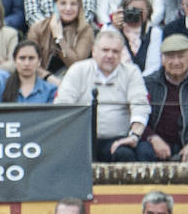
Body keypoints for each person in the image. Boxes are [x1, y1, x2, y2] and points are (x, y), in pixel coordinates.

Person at [54, 29, 153, 163]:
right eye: (105, 50)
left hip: (119, 139)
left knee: (129, 153)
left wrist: (134, 136)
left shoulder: (132, 71)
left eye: (115, 51)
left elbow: (140, 105)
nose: (110, 55)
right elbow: (62, 107)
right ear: (94, 51)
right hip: (82, 139)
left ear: (121, 53)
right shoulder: (78, 70)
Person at [28, 0, 94, 84]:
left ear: (79, 7)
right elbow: (29, 61)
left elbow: (76, 64)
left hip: (74, 82)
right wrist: (48, 77)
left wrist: (59, 38)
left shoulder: (85, 30)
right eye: (63, 3)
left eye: (73, 4)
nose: (68, 8)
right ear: (55, 6)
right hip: (41, 81)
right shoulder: (38, 28)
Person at [144, 33, 188, 161]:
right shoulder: (148, 84)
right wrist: (153, 138)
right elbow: (137, 117)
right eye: (170, 57)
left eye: (181, 57)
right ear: (162, 59)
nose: (176, 62)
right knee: (144, 151)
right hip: (155, 145)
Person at [113, 0, 161, 76]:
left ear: (148, 11)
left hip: (146, 82)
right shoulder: (112, 29)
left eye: (140, 11)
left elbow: (154, 67)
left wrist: (136, 82)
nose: (136, 14)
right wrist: (114, 28)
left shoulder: (154, 33)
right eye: (132, 10)